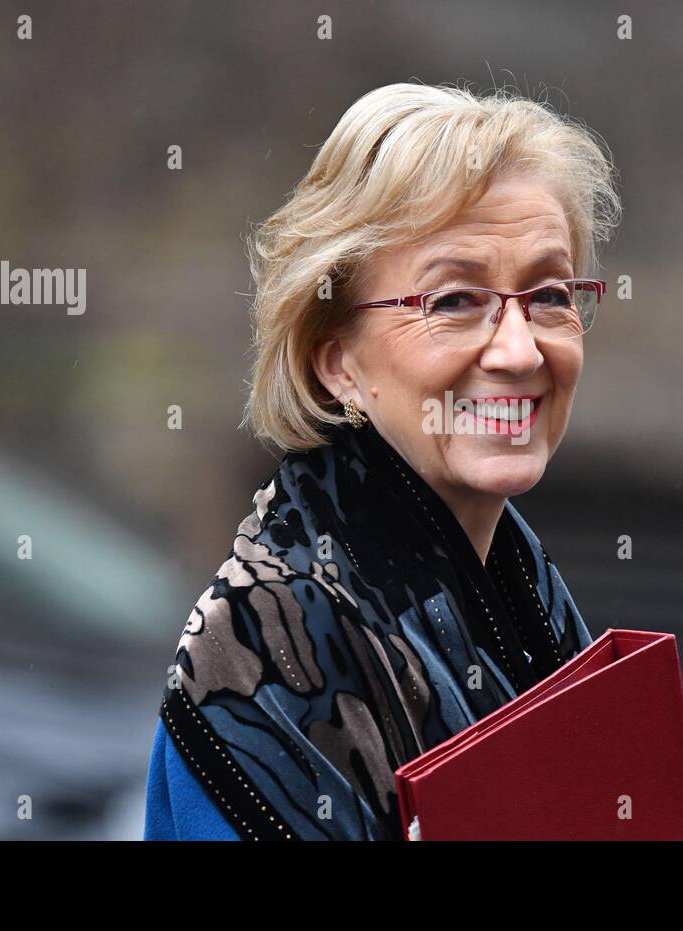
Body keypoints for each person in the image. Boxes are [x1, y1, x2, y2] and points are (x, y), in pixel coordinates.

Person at [143, 81, 621, 840]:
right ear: (335, 360)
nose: (520, 347)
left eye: (549, 294)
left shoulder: (526, 592)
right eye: (455, 300)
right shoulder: (266, 642)